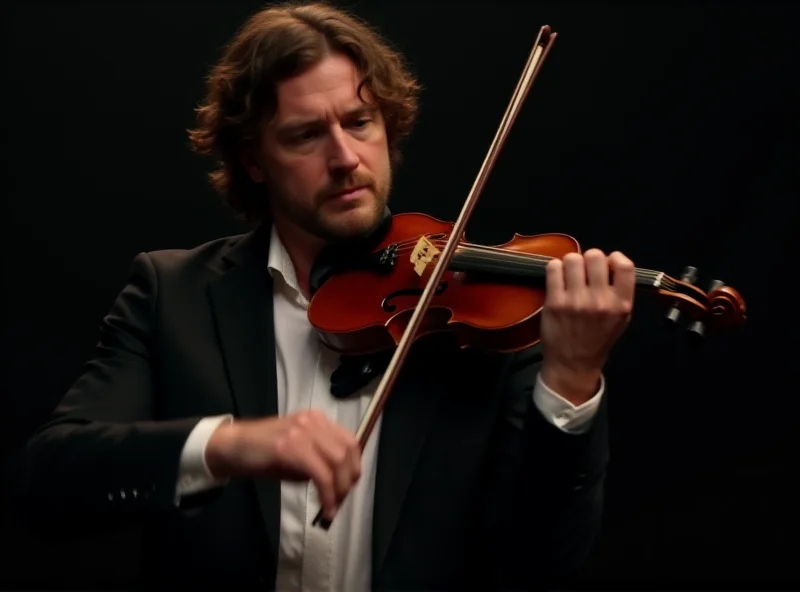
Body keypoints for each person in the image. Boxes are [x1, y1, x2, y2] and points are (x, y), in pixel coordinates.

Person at [14, 2, 635, 590]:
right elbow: (50, 483)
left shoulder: (483, 315)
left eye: (360, 122)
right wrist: (230, 444)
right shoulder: (173, 294)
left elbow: (542, 562)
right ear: (254, 159)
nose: (344, 157)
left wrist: (573, 377)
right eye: (306, 135)